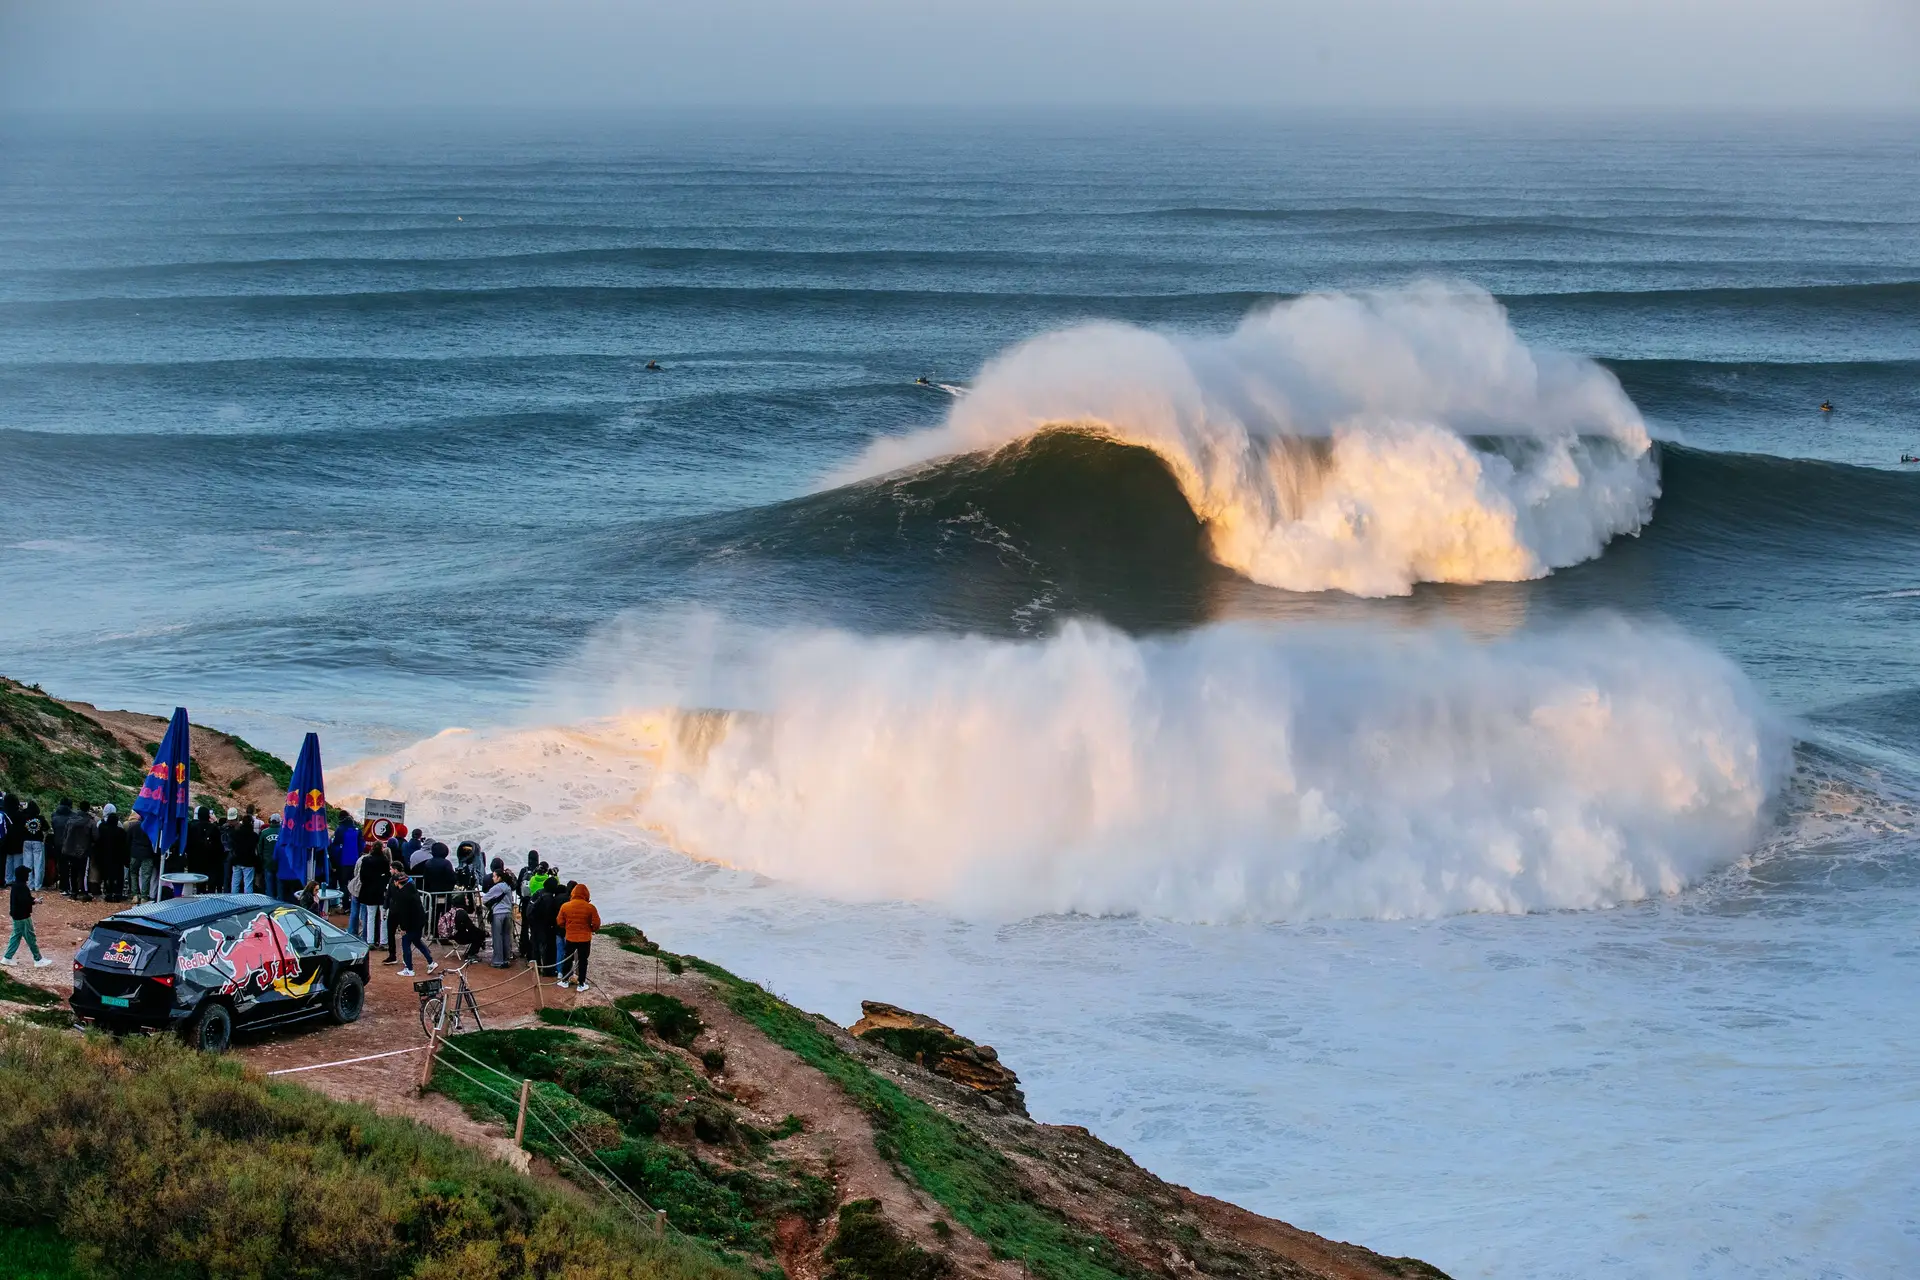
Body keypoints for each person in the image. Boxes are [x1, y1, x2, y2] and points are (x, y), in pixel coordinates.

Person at [387, 867, 437, 978]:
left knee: (406, 943)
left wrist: (403, 928)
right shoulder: (412, 888)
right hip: (419, 921)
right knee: (417, 942)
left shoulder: (402, 895)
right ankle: (431, 962)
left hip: (412, 923)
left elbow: (404, 914)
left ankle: (409, 969)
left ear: (396, 882)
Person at [553, 882, 600, 991]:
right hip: (585, 938)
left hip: (570, 937)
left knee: (567, 958)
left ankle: (564, 981)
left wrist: (568, 927)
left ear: (573, 893)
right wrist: (591, 929)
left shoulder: (565, 906)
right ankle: (581, 984)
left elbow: (559, 921)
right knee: (583, 960)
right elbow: (596, 924)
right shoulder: (590, 907)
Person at [2, 866, 50, 968]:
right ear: (23, 875)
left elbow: (24, 898)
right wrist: (34, 901)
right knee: (30, 937)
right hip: (23, 916)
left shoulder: (16, 885)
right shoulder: (22, 887)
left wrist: (34, 900)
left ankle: (7, 958)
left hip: (17, 916)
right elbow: (25, 900)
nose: (28, 875)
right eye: (27, 874)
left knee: (16, 936)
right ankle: (38, 959)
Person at [529, 874, 564, 977]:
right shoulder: (549, 898)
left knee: (535, 946)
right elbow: (550, 916)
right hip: (544, 926)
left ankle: (536, 967)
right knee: (545, 948)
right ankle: (547, 970)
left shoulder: (539, 892)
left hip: (534, 923)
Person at [94, 804, 129, 902]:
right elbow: (124, 846)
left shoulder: (102, 828)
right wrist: (126, 859)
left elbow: (98, 843)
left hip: (105, 856)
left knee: (106, 875)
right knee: (118, 876)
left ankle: (108, 892)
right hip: (118, 857)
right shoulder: (121, 831)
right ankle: (118, 893)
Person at [63, 800, 97, 900]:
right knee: (83, 871)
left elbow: (65, 834)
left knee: (72, 870)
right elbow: (96, 836)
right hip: (84, 850)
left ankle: (73, 892)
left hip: (70, 849)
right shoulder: (90, 821)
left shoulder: (70, 819)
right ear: (88, 808)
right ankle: (83, 891)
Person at [482, 869, 515, 967]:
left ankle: (498, 960)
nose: (493, 878)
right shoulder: (508, 887)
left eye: (494, 876)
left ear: (499, 877)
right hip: (508, 913)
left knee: (497, 937)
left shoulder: (496, 887)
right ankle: (506, 959)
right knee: (506, 937)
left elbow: (485, 899)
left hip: (498, 914)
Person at [186, 805, 223, 883]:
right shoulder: (214, 827)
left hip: (195, 860)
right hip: (211, 861)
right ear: (208, 816)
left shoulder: (192, 827)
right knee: (211, 885)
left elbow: (188, 844)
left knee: (199, 884)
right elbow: (219, 846)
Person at [223, 807, 255, 895]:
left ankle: (233, 899)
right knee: (247, 883)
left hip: (235, 860)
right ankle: (248, 902)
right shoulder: (254, 835)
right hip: (247, 861)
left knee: (234, 882)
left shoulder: (233, 832)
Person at [46, 798, 73, 896]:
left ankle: (63, 886)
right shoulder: (73, 816)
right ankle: (71, 887)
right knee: (71, 866)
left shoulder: (54, 815)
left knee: (62, 865)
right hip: (69, 843)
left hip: (57, 843)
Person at [126, 811, 156, 902]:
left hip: (135, 853)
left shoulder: (133, 827)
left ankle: (135, 894)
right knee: (146, 875)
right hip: (148, 853)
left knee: (133, 873)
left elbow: (128, 841)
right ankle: (144, 896)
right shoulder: (151, 828)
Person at [19, 805, 47, 891]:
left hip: (26, 841)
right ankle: (37, 885)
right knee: (38, 864)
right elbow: (46, 828)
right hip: (38, 842)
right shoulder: (41, 818)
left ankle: (29, 885)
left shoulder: (24, 818)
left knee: (27, 863)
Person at [255, 814, 281, 901]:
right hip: (280, 864)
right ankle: (280, 903)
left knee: (269, 886)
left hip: (267, 863)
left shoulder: (264, 832)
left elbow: (259, 849)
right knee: (279, 886)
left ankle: (269, 902)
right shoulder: (283, 832)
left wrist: (262, 860)